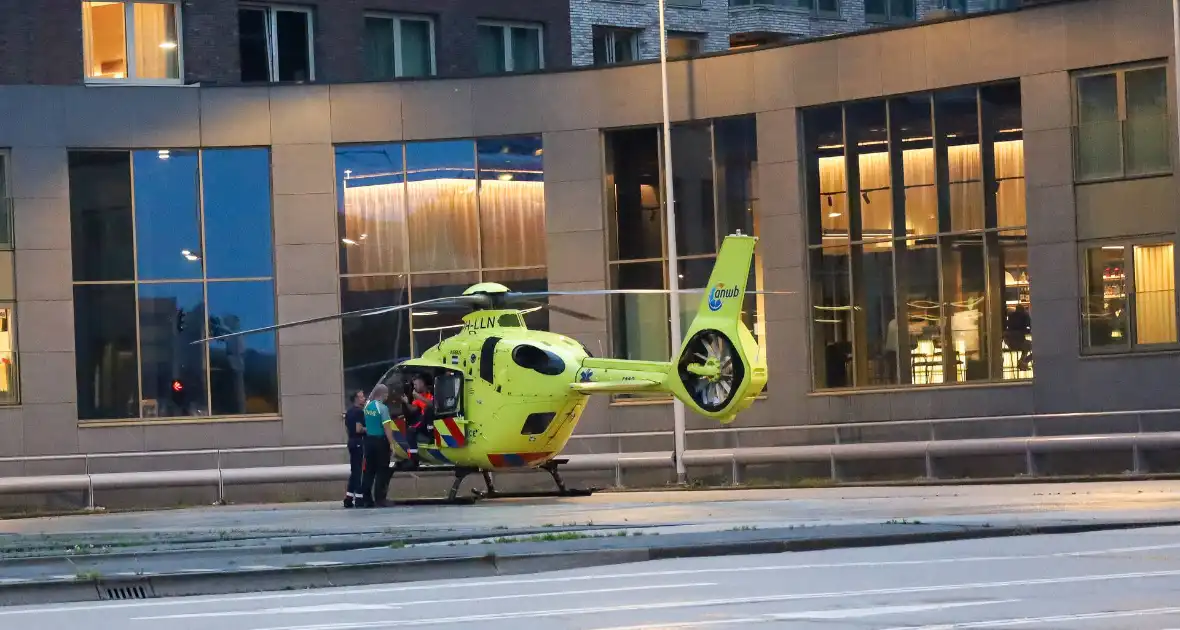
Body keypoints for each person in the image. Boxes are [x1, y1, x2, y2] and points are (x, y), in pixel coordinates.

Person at [358, 384, 395, 507]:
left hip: (368, 442)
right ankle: (380, 499)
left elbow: (364, 424)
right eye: (387, 394)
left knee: (369, 471)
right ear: (383, 394)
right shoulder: (382, 408)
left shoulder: (367, 407)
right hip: (380, 442)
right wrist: (392, 444)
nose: (387, 396)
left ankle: (366, 499)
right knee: (382, 471)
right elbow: (387, 428)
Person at [401, 374, 434, 469]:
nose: (414, 387)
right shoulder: (417, 397)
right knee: (410, 431)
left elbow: (433, 405)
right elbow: (413, 409)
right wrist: (407, 402)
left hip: (434, 421)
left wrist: (418, 397)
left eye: (416, 384)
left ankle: (431, 433)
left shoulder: (431, 393)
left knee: (428, 410)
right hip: (423, 423)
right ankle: (414, 459)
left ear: (422, 383)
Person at [342, 390, 367, 508]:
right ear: (356, 399)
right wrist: (369, 429)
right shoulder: (359, 412)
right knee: (358, 471)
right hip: (358, 442)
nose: (364, 399)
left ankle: (348, 497)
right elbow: (359, 429)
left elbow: (348, 429)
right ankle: (359, 498)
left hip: (351, 441)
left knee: (354, 470)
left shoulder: (349, 412)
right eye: (362, 397)